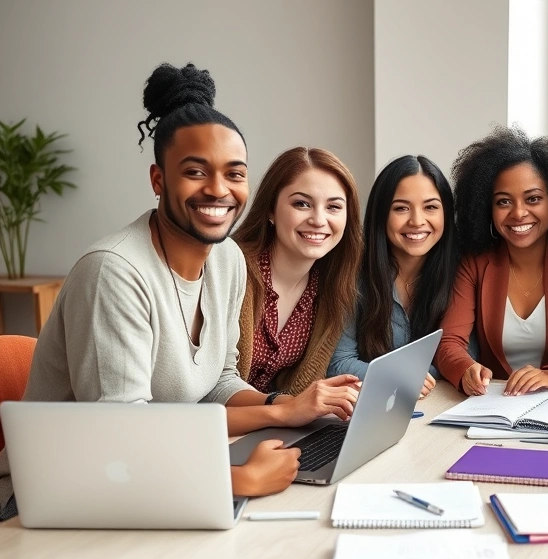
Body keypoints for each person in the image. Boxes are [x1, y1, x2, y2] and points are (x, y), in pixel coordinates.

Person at [0, 63, 363, 521]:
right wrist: (235, 480)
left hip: (151, 475)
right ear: (158, 179)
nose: (218, 189)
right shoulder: (114, 272)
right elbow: (120, 436)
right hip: (52, 496)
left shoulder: (228, 260)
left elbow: (219, 383)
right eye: (195, 171)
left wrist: (284, 409)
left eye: (235, 174)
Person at [434, 126, 548, 396]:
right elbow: (449, 342)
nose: (519, 213)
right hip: (494, 400)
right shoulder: (475, 262)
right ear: (487, 208)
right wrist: (466, 370)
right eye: (503, 202)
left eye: (533, 199)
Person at [232, 147, 363, 397]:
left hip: (277, 418)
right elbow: (213, 388)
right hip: (214, 418)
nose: (318, 220)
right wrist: (287, 409)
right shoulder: (233, 269)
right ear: (271, 210)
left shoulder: (331, 285)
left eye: (333, 207)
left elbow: (299, 389)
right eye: (302, 204)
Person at [327, 155, 459, 397]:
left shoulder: (461, 273)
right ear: (381, 214)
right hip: (371, 404)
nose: (417, 221)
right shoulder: (352, 273)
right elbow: (339, 363)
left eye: (430, 207)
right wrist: (399, 376)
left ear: (446, 214)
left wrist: (417, 376)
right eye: (401, 208)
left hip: (439, 403)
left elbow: (464, 354)